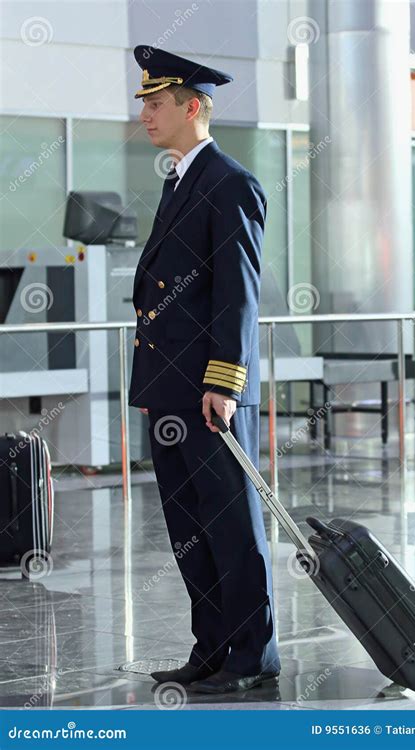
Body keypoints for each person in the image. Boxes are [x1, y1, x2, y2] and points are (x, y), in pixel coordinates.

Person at [129, 46, 281, 694]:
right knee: (190, 526)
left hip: (207, 393)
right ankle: (211, 648)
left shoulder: (229, 183)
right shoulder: (180, 180)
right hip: (170, 391)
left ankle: (252, 656)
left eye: (157, 104)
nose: (146, 116)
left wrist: (223, 382)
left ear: (193, 107)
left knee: (229, 524)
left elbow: (235, 296)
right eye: (144, 105)